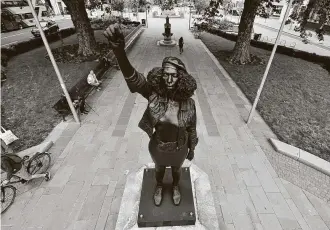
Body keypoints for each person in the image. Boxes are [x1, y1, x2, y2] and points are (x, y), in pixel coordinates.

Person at [104, 24, 198, 206]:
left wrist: (192, 149)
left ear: (182, 78)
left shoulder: (189, 103)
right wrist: (119, 53)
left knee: (177, 170)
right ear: (161, 76)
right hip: (158, 147)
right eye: (166, 75)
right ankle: (160, 186)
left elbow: (192, 128)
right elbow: (134, 80)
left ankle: (176, 186)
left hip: (180, 148)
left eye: (174, 76)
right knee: (159, 170)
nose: (169, 80)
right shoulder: (153, 94)